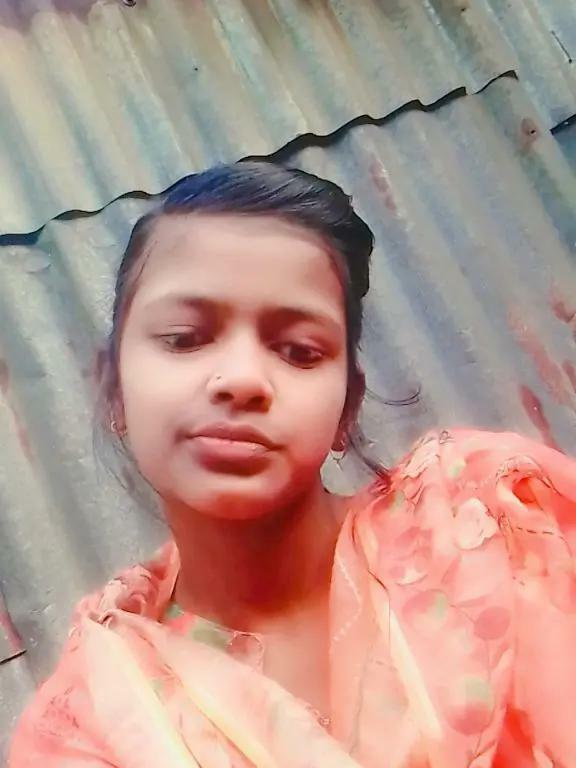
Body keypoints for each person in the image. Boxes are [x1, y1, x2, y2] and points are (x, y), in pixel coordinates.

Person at [8, 161, 576, 768]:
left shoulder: (497, 517)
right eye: (184, 338)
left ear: (347, 407)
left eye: (300, 351)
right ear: (115, 389)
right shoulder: (84, 727)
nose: (242, 380)